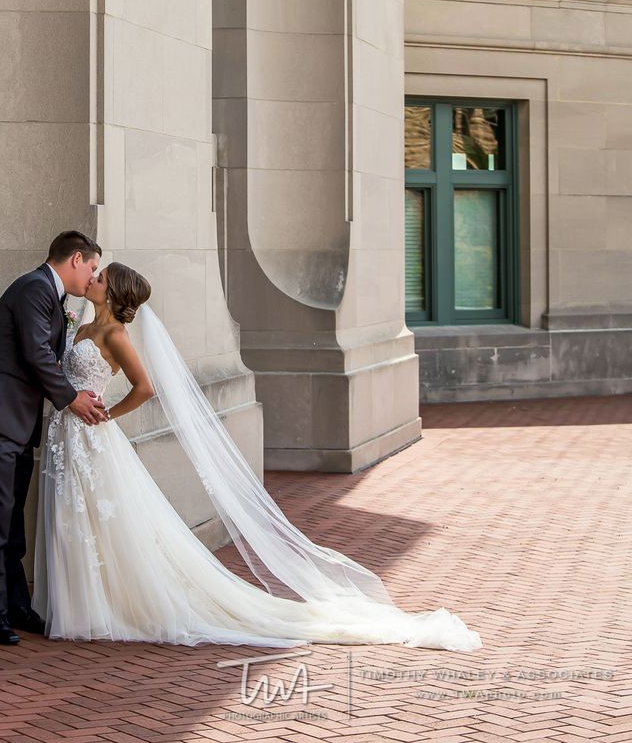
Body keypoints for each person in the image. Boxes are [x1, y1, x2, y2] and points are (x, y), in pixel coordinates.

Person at [32, 262, 482, 652]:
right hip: (64, 434)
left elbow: (146, 387)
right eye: (96, 272)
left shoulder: (114, 334)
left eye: (102, 276)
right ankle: (80, 604)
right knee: (74, 518)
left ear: (112, 293)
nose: (93, 276)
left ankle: (96, 608)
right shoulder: (81, 326)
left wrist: (108, 414)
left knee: (96, 518)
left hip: (92, 437)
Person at [0, 231, 108, 646]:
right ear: (76, 258)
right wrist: (71, 398)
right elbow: (36, 352)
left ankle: (17, 605)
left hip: (15, 424)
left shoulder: (48, 295)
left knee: (11, 520)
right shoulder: (34, 289)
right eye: (92, 267)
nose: (91, 276)